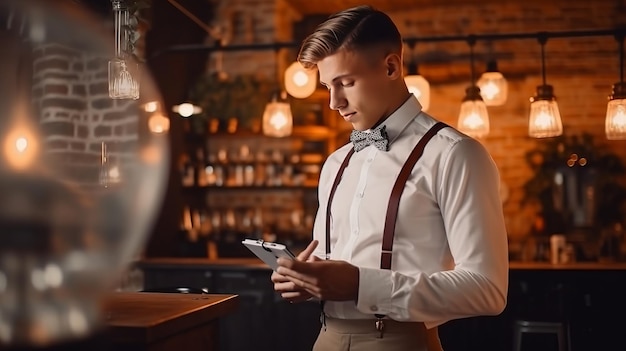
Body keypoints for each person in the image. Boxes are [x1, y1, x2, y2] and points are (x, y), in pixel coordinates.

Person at [271, 5, 508, 351]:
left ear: (391, 66)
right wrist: (304, 281)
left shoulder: (455, 154)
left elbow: (487, 289)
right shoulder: (335, 163)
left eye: (346, 83)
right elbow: (331, 272)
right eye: (327, 87)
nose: (334, 102)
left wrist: (360, 285)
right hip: (325, 338)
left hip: (400, 341)